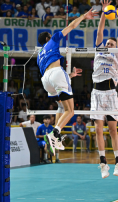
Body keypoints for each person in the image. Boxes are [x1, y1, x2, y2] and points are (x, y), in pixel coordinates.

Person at [37, 8, 97, 156]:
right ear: (47, 38)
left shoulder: (39, 55)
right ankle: (54, 134)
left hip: (45, 80)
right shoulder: (52, 40)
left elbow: (50, 73)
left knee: (61, 108)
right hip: (56, 74)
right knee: (71, 111)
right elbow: (71, 26)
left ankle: (55, 137)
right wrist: (84, 16)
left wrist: (68, 75)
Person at [91, 0, 118, 179]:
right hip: (96, 93)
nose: (109, 45)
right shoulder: (99, 50)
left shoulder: (117, 54)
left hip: (110, 93)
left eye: (111, 44)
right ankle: (103, 163)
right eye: (108, 43)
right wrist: (102, 14)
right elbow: (100, 31)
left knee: (112, 129)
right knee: (98, 129)